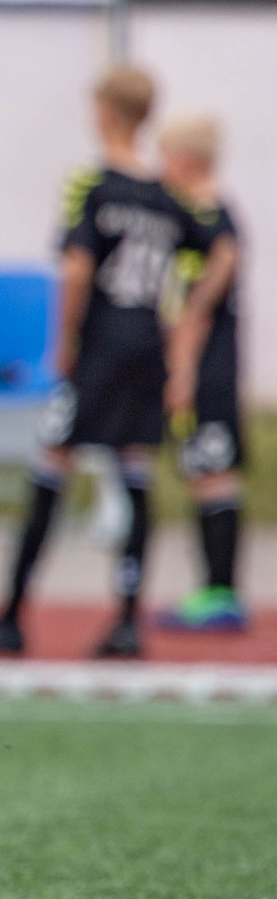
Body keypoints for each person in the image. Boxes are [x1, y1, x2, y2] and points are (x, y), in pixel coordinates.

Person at [0, 66, 221, 660]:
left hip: (100, 346)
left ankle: (11, 614)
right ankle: (128, 622)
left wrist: (65, 340)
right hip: (147, 347)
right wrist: (182, 340)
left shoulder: (92, 185)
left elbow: (77, 267)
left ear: (103, 111)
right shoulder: (166, 197)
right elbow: (213, 256)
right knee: (134, 478)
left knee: (50, 466)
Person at [157, 112, 249, 632]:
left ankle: (220, 592)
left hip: (206, 369)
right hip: (214, 365)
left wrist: (181, 371)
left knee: (212, 474)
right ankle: (216, 587)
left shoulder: (209, 224)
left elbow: (196, 309)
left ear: (188, 162)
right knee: (205, 474)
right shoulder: (216, 218)